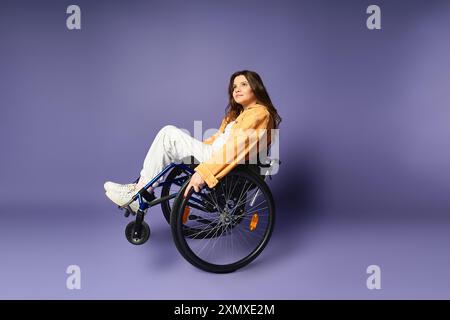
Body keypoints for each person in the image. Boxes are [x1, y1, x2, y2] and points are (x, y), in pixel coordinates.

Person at [104, 70, 282, 212]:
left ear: (256, 88)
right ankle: (140, 189)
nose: (237, 89)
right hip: (215, 154)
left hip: (224, 160)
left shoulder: (259, 113)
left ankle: (140, 192)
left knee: (168, 134)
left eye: (243, 84)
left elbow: (235, 149)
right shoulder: (236, 115)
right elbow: (216, 139)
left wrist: (204, 172)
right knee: (170, 138)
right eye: (234, 86)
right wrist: (196, 149)